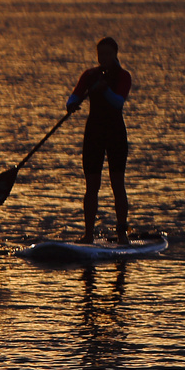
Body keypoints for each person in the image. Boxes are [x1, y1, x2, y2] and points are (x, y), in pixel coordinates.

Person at [67, 36, 133, 244]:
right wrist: (72, 104)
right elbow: (74, 96)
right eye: (100, 54)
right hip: (94, 132)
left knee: (117, 183)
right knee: (91, 185)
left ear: (115, 55)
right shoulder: (89, 75)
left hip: (114, 133)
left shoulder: (123, 76)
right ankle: (88, 234)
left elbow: (118, 103)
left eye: (107, 54)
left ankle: (122, 234)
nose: (103, 58)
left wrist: (104, 89)